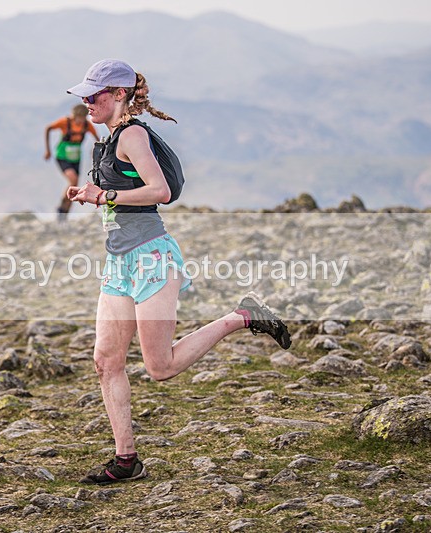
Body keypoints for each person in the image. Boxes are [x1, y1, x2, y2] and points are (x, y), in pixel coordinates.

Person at [65, 59, 292, 485]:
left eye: (93, 95)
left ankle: (242, 317)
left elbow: (161, 192)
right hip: (119, 262)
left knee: (160, 367)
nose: (85, 102)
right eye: (83, 95)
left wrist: (105, 194)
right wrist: (96, 193)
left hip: (151, 259)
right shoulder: (110, 137)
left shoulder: (131, 134)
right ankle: (126, 460)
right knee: (106, 360)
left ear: (117, 95)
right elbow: (127, 192)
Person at [44, 104, 99, 221]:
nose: (79, 121)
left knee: (74, 186)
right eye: (77, 118)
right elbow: (48, 129)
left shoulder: (87, 126)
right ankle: (62, 205)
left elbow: (97, 139)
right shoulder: (65, 122)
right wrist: (48, 150)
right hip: (63, 156)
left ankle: (64, 213)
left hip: (75, 158)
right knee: (72, 179)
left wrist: (95, 151)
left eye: (82, 118)